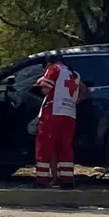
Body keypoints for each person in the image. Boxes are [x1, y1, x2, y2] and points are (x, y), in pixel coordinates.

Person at [33, 56, 88, 189]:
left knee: (44, 146)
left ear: (48, 63)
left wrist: (39, 82)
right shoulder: (75, 75)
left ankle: (42, 180)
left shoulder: (54, 69)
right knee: (65, 147)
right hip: (69, 114)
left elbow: (45, 89)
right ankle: (67, 180)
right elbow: (84, 92)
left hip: (52, 112)